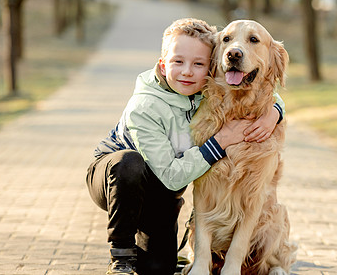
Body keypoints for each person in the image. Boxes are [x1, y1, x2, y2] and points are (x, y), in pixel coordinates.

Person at [86, 18, 285, 275]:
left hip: (159, 192)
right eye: (178, 62)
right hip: (116, 179)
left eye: (198, 64)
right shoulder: (144, 107)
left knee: (160, 268)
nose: (188, 71)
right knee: (129, 164)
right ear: (162, 64)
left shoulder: (205, 89)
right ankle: (121, 256)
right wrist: (221, 140)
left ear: (210, 67)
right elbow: (172, 176)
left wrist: (274, 112)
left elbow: (263, 87)